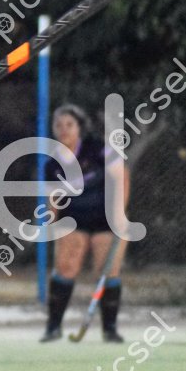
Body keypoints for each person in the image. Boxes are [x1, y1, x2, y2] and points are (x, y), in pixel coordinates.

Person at [39, 104, 128, 343]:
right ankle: (53, 327)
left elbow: (121, 176)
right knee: (66, 267)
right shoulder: (52, 164)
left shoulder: (97, 149)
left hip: (105, 217)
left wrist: (120, 213)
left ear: (79, 128)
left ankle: (110, 330)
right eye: (58, 125)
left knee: (108, 270)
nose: (64, 130)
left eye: (69, 125)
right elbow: (53, 198)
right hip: (73, 218)